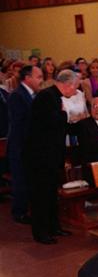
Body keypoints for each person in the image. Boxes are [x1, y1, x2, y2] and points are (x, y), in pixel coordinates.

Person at [23, 69, 79, 244]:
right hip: (41, 157)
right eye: (75, 87)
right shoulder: (46, 97)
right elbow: (48, 122)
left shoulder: (54, 97)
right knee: (41, 195)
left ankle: (54, 226)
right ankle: (41, 232)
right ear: (67, 84)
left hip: (51, 156)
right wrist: (64, 115)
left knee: (51, 194)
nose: (76, 91)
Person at [7, 65, 43, 224]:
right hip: (20, 146)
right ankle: (19, 211)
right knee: (21, 179)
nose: (40, 80)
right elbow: (20, 123)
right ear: (27, 78)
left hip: (30, 145)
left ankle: (29, 208)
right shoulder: (18, 96)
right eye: (38, 77)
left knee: (29, 178)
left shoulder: (33, 95)